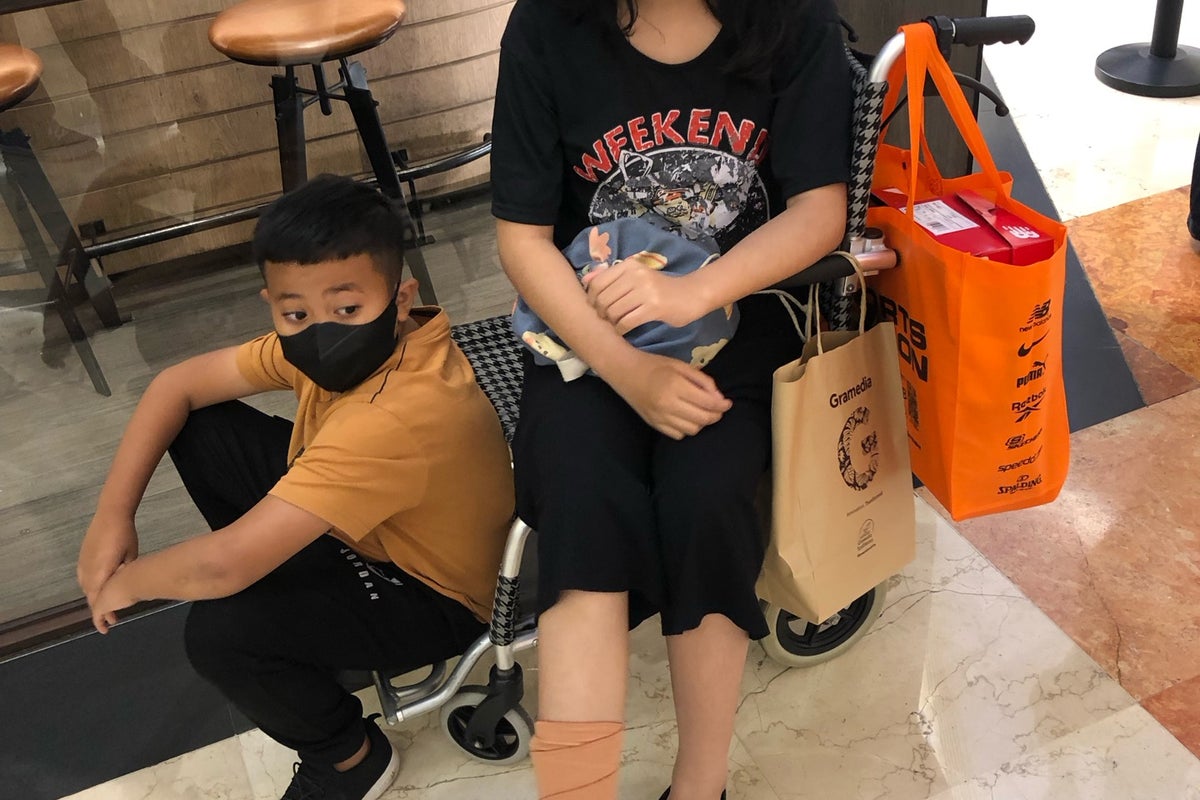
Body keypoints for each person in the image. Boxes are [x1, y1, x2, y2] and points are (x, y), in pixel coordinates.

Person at [490, 0, 852, 797]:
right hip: (584, 327)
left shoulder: (796, 22)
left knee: (709, 499)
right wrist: (626, 369)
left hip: (742, 317)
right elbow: (521, 237)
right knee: (580, 503)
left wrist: (697, 292)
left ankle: (699, 785)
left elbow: (819, 209)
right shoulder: (548, 25)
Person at [75, 175, 515, 800]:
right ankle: (285, 587)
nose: (320, 331)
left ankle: (349, 758)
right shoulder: (370, 343)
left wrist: (122, 583)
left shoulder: (395, 413)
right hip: (371, 528)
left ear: (400, 297)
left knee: (220, 634)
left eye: (346, 309)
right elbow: (178, 385)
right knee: (202, 426)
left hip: (431, 592)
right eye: (296, 314)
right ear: (273, 304)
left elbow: (221, 567)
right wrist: (112, 515)